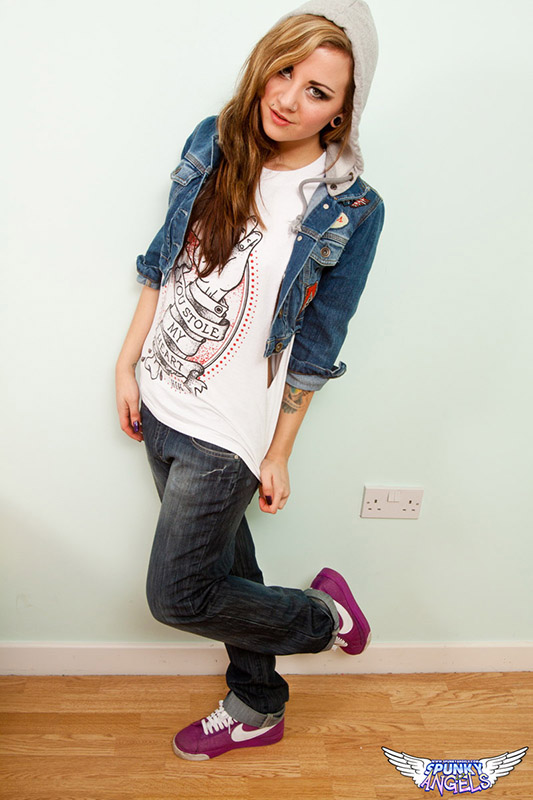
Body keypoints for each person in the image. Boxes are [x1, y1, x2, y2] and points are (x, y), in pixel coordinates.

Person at [116, 0, 384, 761]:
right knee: (230, 568)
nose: (288, 98)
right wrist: (126, 363)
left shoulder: (351, 208)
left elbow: (318, 343)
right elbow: (163, 264)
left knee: (178, 595)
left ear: (341, 113)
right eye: (285, 70)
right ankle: (258, 703)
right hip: (160, 402)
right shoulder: (214, 140)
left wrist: (279, 451)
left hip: (226, 434)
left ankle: (324, 617)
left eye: (317, 91)